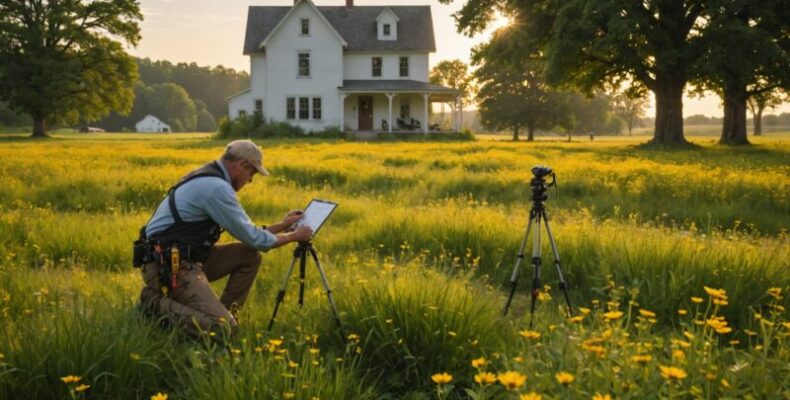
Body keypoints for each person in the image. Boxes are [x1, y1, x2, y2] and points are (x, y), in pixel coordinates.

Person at [136, 139, 313, 337]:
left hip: (179, 260)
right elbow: (256, 239)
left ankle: (226, 314)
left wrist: (282, 226)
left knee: (248, 255)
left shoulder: (206, 176)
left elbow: (249, 235)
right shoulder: (216, 188)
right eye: (252, 173)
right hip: (169, 268)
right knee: (222, 329)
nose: (251, 180)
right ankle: (152, 302)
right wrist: (295, 235)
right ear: (240, 165)